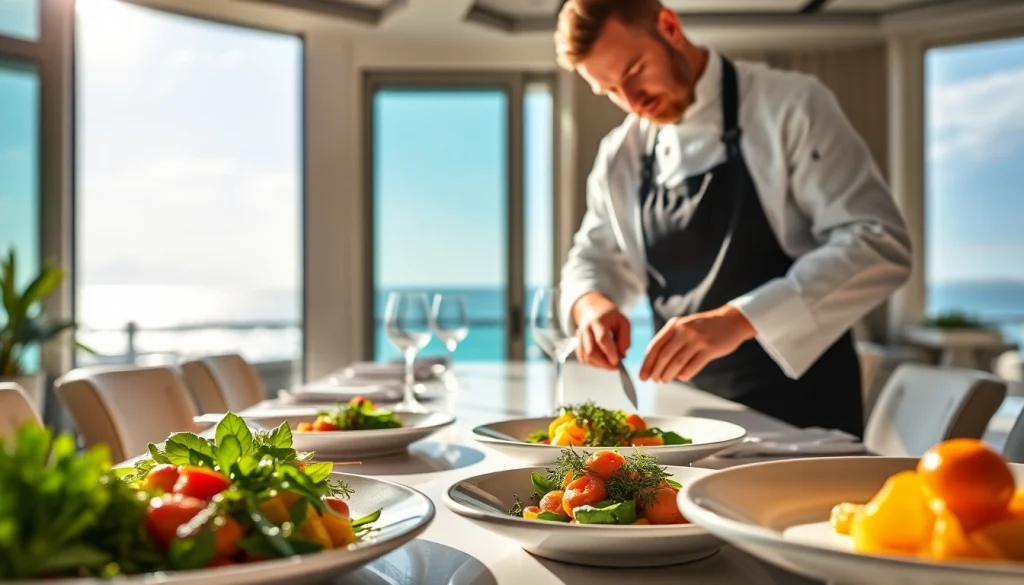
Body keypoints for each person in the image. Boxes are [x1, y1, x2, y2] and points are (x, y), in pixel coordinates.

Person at [555, 0, 911, 437]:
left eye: (634, 72)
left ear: (669, 26)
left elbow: (879, 242)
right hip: (689, 418)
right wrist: (591, 305)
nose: (632, 102)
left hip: (802, 417)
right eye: (610, 90)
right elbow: (593, 255)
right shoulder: (621, 154)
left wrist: (738, 320)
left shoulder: (791, 105)